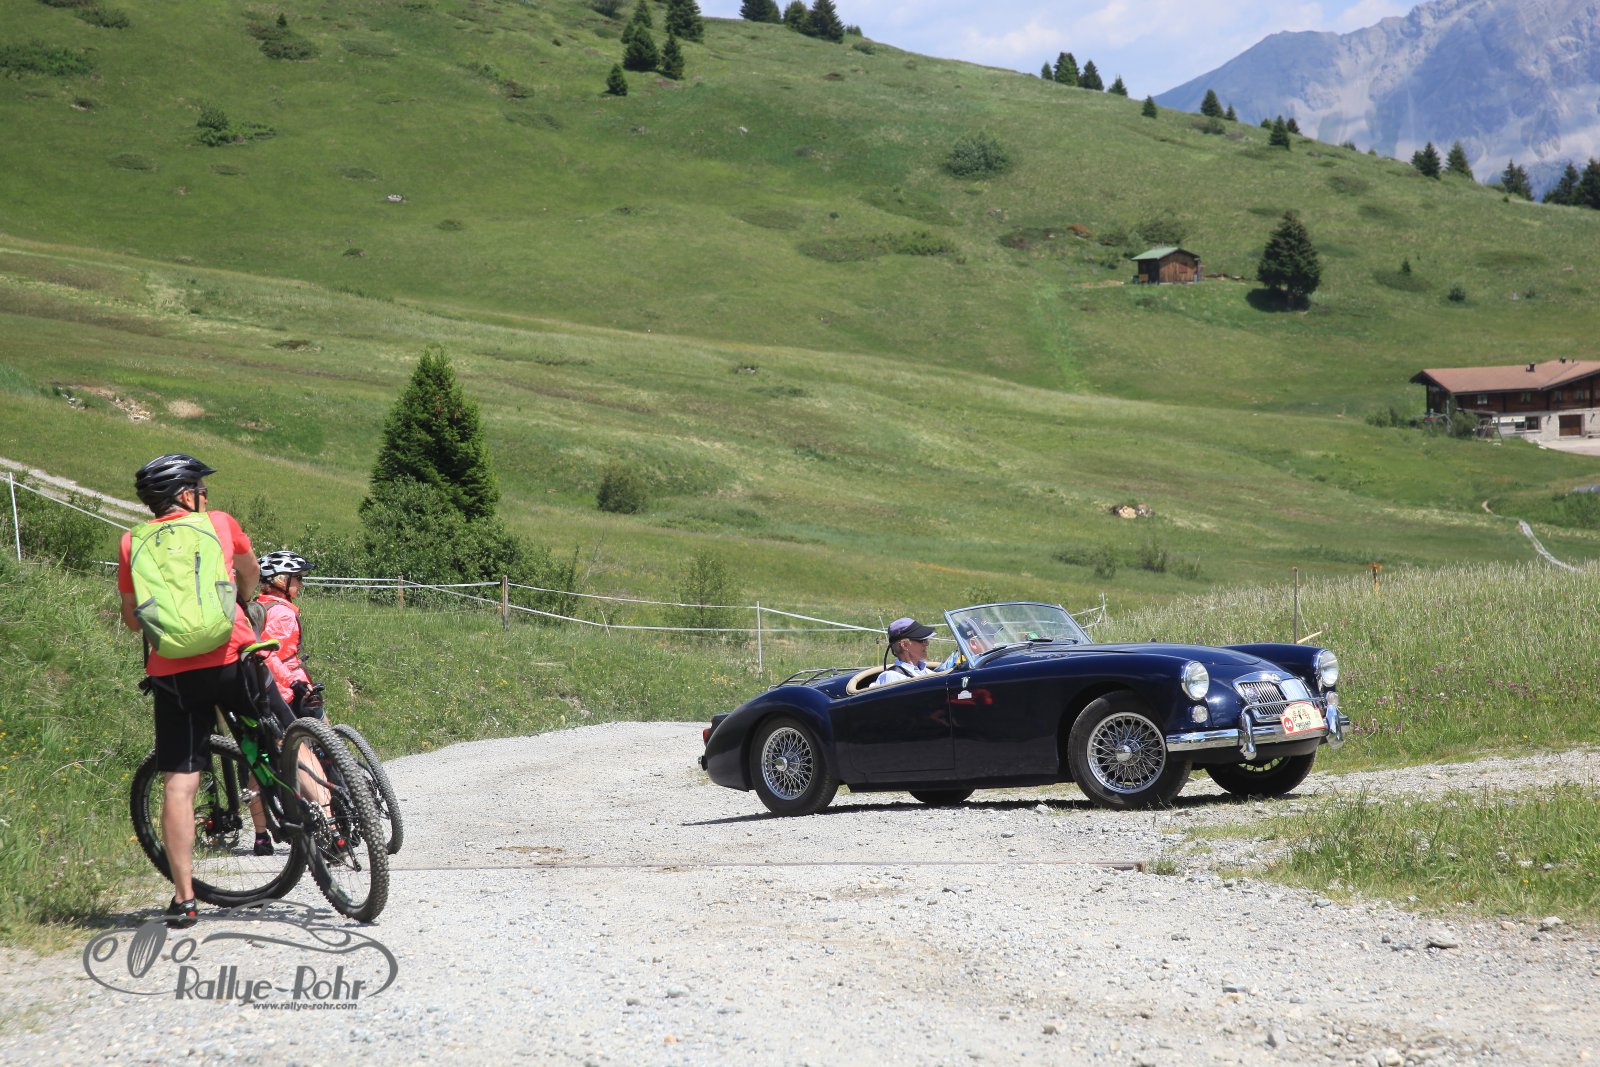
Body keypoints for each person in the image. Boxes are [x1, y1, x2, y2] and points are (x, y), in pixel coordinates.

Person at [117, 454, 258, 928]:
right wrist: (243, 601)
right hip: (232, 656)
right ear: (185, 494)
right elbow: (250, 574)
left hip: (174, 674)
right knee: (280, 735)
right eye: (201, 488)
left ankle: (185, 898)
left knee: (180, 783)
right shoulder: (219, 524)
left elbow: (132, 618)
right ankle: (326, 821)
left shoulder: (131, 542)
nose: (206, 496)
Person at [247, 550, 325, 856]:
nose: (301, 584)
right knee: (316, 749)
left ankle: (260, 836)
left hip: (263, 691)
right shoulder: (282, 613)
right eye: (297, 578)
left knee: (259, 759)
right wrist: (294, 683)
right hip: (286, 690)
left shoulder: (259, 606)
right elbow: (272, 655)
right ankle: (330, 819)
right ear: (281, 580)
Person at [871, 617, 940, 687]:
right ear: (905, 645)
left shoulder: (929, 673)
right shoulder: (892, 677)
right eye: (922, 640)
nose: (926, 644)